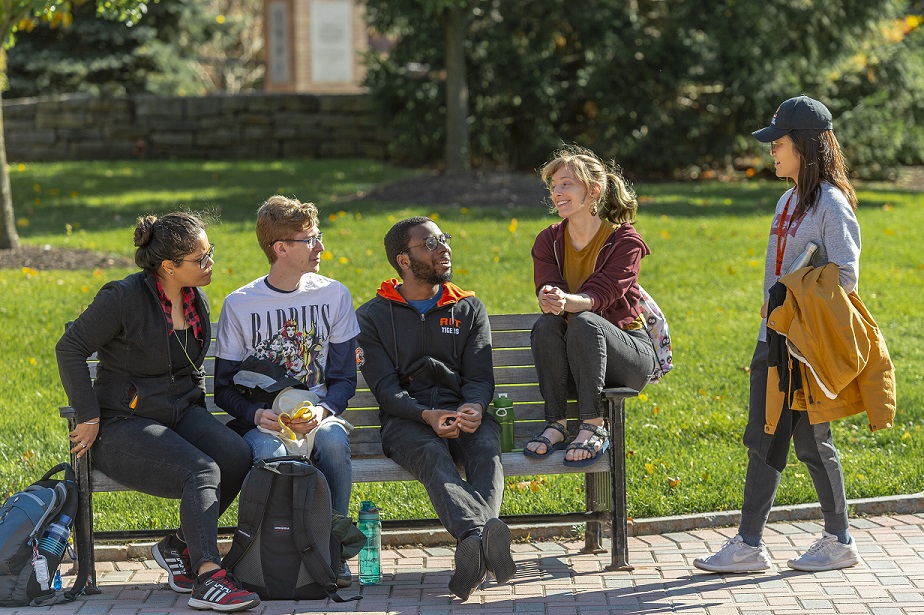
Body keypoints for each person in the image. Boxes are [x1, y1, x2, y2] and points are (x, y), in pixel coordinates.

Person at [694, 95, 868, 573]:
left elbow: (847, 278)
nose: (771, 151)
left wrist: (799, 290)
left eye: (780, 144)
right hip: (772, 337)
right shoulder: (788, 198)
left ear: (806, 148)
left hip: (806, 344)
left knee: (810, 442)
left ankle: (834, 540)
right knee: (766, 435)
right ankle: (751, 544)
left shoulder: (831, 204)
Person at [55, 213, 259, 612]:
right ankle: (207, 577)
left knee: (236, 456)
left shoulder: (194, 297)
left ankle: (178, 546)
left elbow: (188, 366)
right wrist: (88, 415)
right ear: (169, 266)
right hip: (120, 424)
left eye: (209, 253)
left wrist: (193, 405)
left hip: (178, 413)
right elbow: (70, 347)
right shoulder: (122, 298)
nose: (209, 262)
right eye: (200, 257)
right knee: (202, 470)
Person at [355, 217, 516, 602]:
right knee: (431, 454)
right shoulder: (373, 316)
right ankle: (482, 538)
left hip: (462, 411)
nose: (443, 247)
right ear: (404, 260)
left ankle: (473, 545)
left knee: (485, 448)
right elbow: (385, 390)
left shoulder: (468, 308)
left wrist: (475, 406)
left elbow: (479, 376)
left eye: (444, 239)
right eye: (429, 243)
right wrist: (424, 415)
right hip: (406, 420)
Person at [213, 195, 359, 586]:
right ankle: (273, 554)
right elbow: (223, 390)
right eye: (310, 239)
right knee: (273, 456)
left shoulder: (334, 295)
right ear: (280, 248)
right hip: (265, 424)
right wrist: (255, 416)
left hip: (318, 416)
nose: (321, 247)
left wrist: (324, 411)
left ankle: (333, 549)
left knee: (331, 442)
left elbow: (346, 380)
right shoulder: (240, 305)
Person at [524, 145, 659, 466]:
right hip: (577, 358)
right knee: (546, 324)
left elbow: (604, 293)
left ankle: (593, 425)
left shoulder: (625, 241)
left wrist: (565, 301)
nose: (557, 192)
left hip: (627, 356)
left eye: (566, 183)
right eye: (554, 186)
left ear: (594, 189)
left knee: (585, 320)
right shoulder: (548, 240)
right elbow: (548, 288)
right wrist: (548, 297)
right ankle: (556, 424)